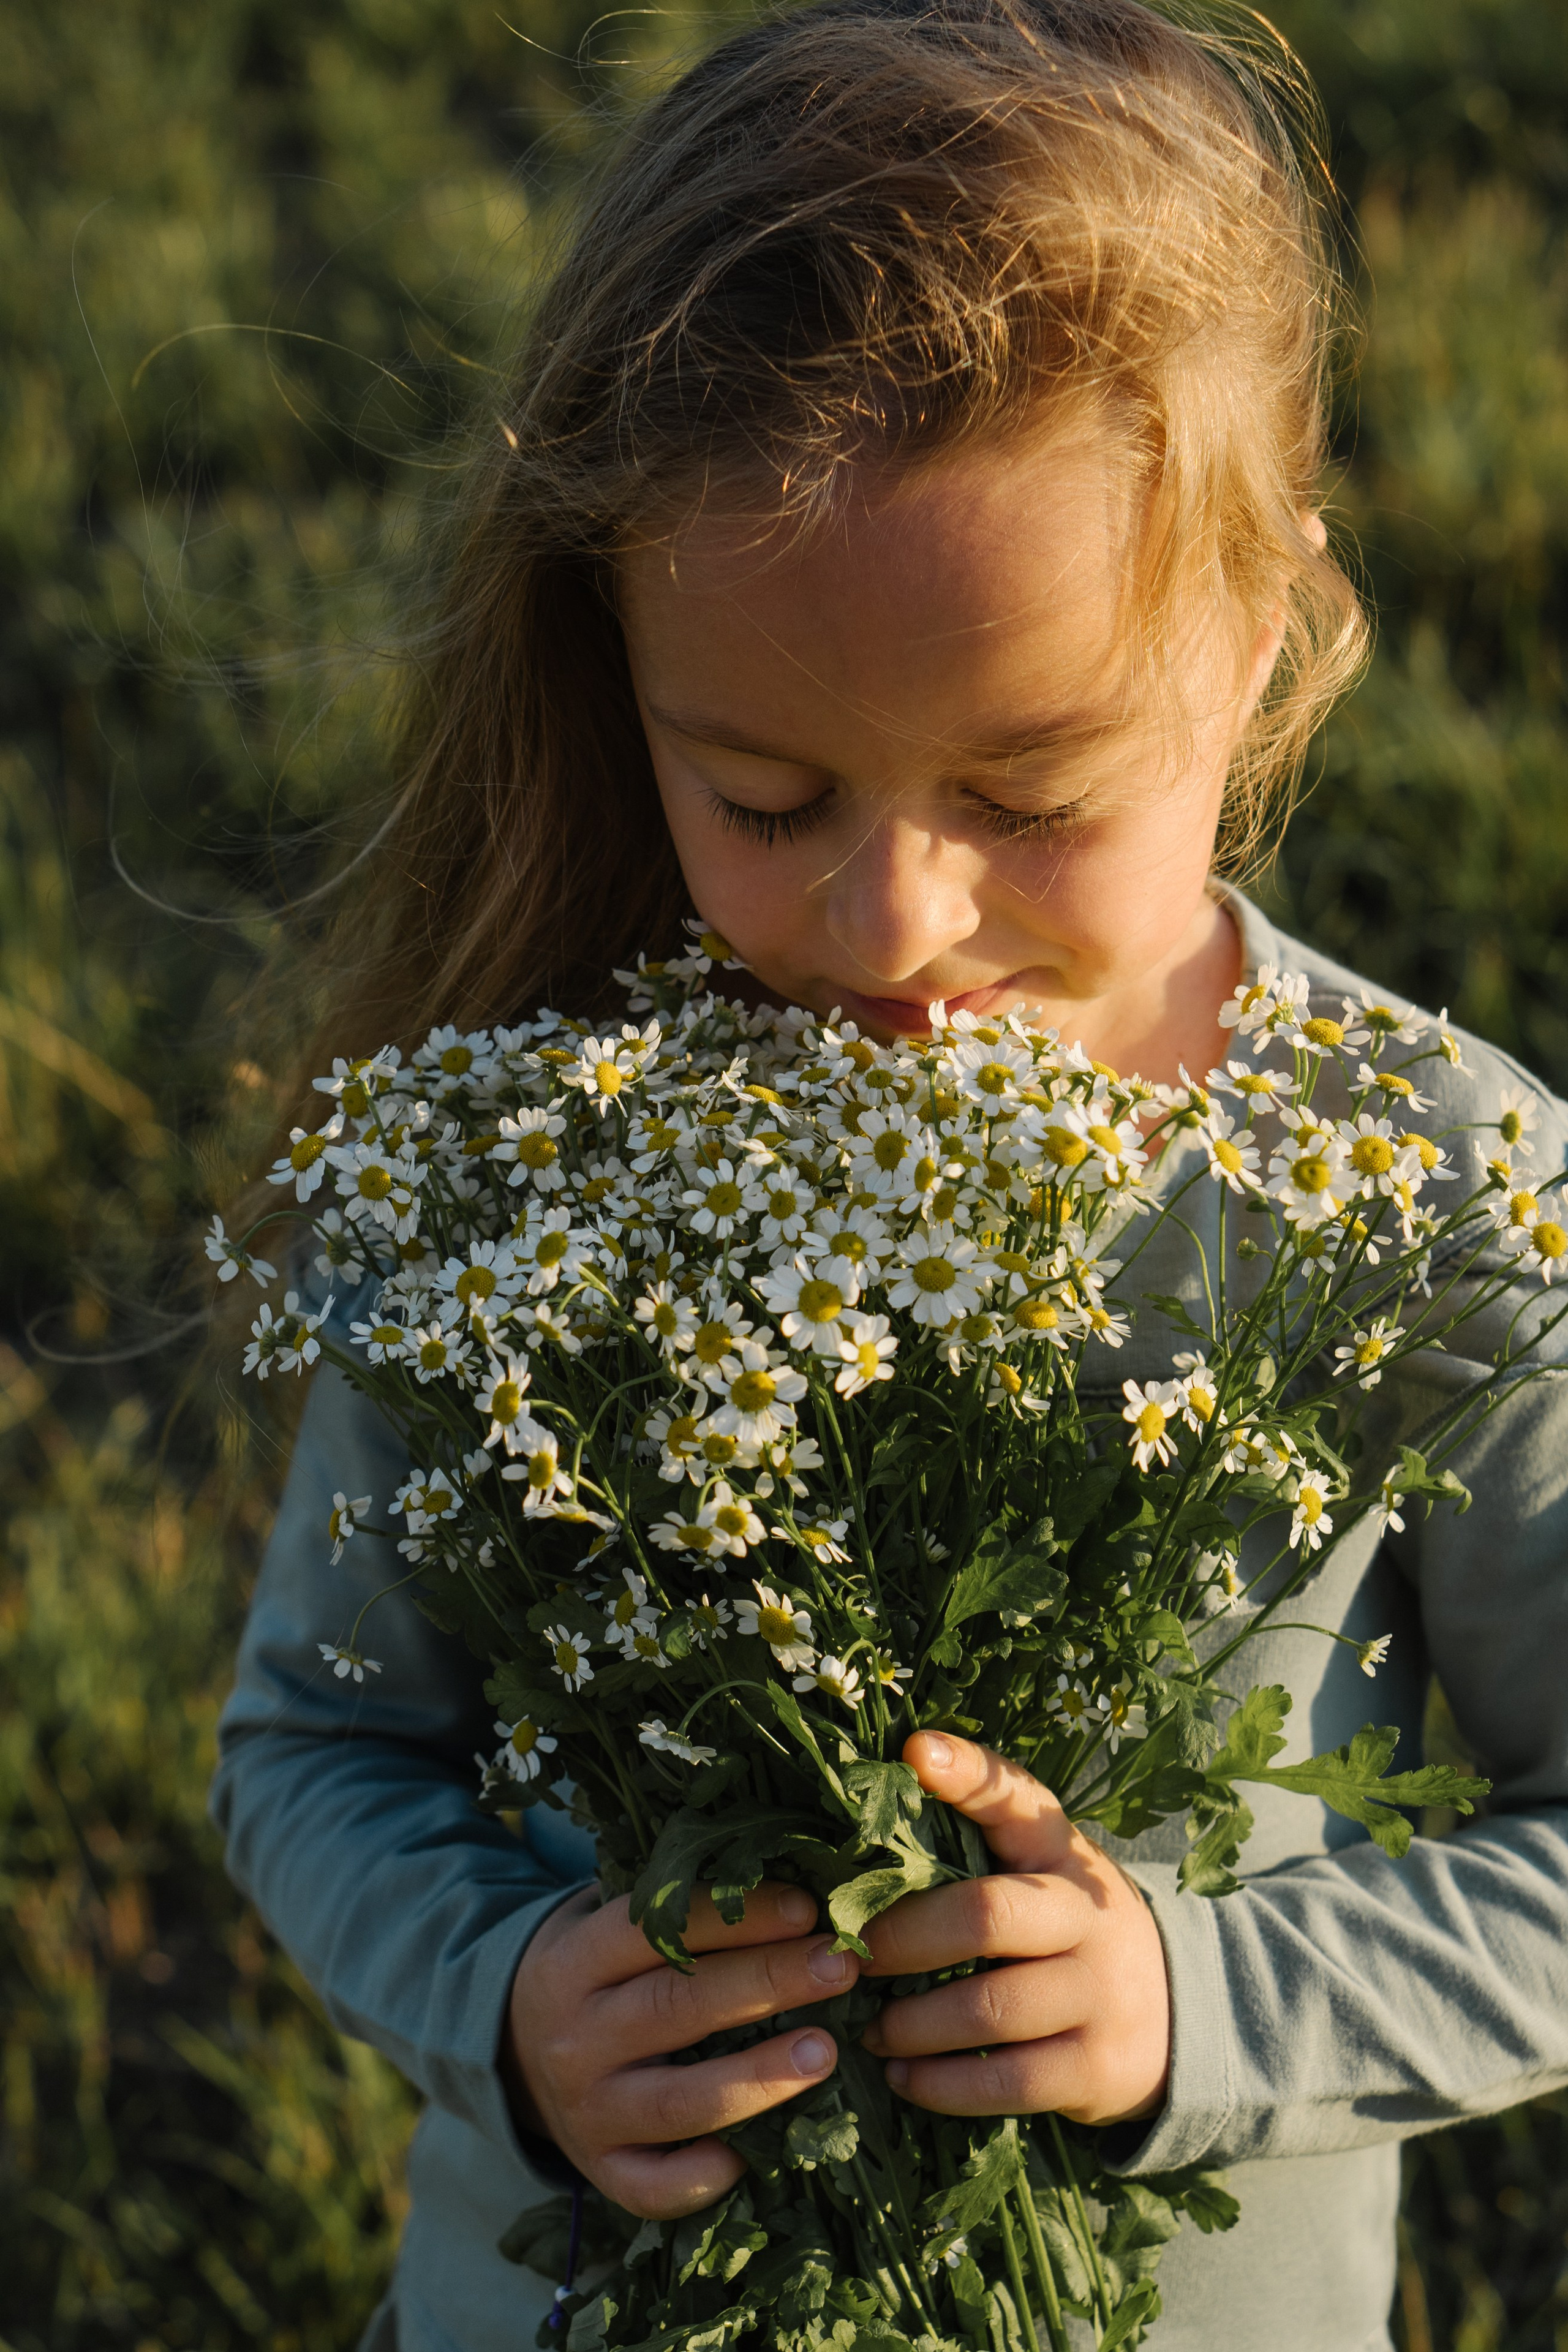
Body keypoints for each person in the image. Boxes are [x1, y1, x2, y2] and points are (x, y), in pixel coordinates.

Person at [210, 3, 1568, 2347]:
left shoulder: (1443, 1191)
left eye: (1033, 795)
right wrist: (519, 2000)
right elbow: (321, 1742)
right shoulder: (539, 1155)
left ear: (1257, 644)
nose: (890, 926)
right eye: (761, 797)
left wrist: (1198, 2009)